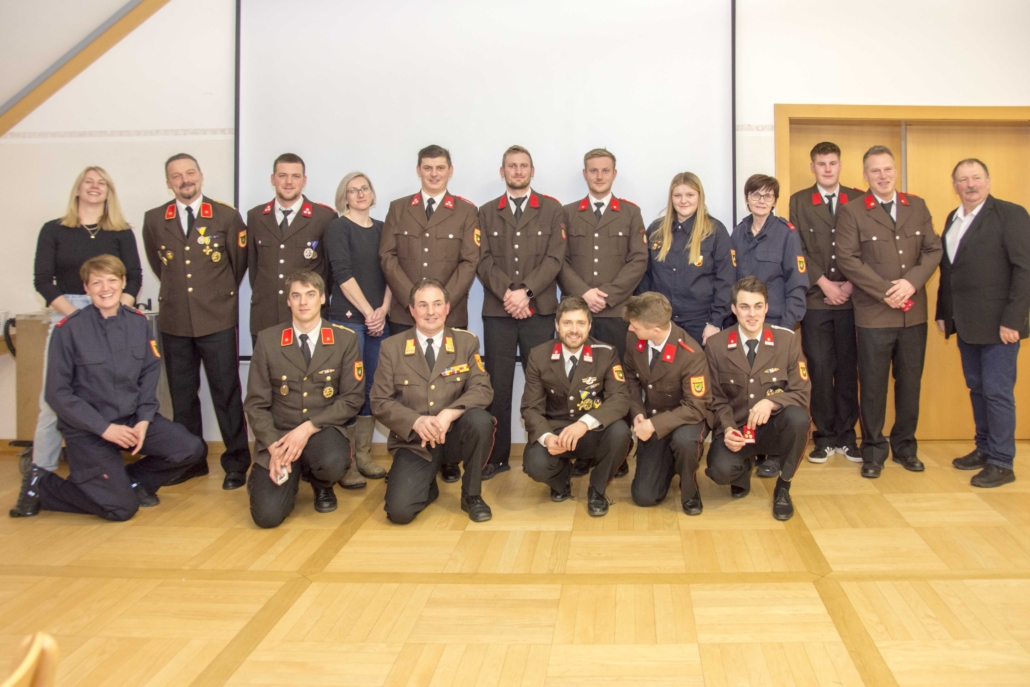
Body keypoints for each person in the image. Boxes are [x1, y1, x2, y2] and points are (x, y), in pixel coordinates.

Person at [10, 255, 205, 521]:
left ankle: (131, 483)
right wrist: (104, 428)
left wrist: (144, 420)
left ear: (123, 282)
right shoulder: (69, 330)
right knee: (121, 509)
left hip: (130, 420)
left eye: (112, 280)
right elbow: (57, 394)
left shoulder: (138, 323)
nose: (105, 288)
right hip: (88, 429)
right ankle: (42, 486)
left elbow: (149, 375)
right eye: (97, 283)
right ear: (86, 288)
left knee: (190, 448)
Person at [141, 153, 251, 490]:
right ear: (168, 182)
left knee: (226, 393)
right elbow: (160, 267)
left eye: (190, 173)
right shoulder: (154, 219)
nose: (184, 180)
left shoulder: (226, 216)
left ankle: (236, 462)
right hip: (175, 321)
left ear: (200, 176)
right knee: (183, 396)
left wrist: (213, 296)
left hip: (217, 319)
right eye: (176, 176)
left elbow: (237, 265)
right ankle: (192, 461)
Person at [836, 145, 942, 479]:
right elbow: (848, 259)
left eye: (887, 169)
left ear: (895, 171)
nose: (882, 176)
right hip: (874, 315)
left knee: (910, 383)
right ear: (865, 175)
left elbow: (933, 249)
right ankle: (873, 451)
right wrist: (887, 292)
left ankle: (906, 448)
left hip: (913, 315)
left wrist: (911, 283)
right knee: (872, 386)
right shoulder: (853, 211)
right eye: (875, 171)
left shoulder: (917, 205)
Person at [31, 166, 143, 473]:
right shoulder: (53, 230)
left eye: (101, 182)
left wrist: (118, 313)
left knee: (110, 395)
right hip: (68, 313)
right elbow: (43, 281)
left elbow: (134, 278)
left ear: (109, 192)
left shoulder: (121, 231)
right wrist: (79, 317)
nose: (95, 186)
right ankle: (39, 477)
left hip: (112, 315)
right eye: (88, 181)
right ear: (78, 189)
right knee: (53, 402)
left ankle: (103, 472)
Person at [244, 270, 364, 527]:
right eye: (296, 296)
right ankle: (273, 476)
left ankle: (322, 484)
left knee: (333, 461)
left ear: (322, 298)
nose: (303, 302)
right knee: (267, 517)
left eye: (310, 295)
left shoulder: (345, 339)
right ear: (288, 301)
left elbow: (352, 398)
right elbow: (255, 404)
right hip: (280, 435)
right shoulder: (268, 340)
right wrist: (273, 446)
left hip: (321, 431)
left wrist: (308, 428)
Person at [936, 159, 1030, 488]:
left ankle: (1002, 462)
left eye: (976, 178)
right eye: (963, 179)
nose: (970, 184)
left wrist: (1013, 319)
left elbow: (1024, 270)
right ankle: (985, 448)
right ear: (955, 186)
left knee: (997, 393)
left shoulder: (1011, 214)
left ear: (988, 182)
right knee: (977, 389)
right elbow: (949, 270)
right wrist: (944, 312)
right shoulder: (953, 217)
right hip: (966, 323)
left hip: (1000, 326)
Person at [370, 279, 494, 524]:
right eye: (423, 305)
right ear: (412, 310)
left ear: (447, 308)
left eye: (437, 304)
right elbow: (379, 401)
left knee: (480, 420)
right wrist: (416, 421)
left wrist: (449, 413)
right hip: (415, 441)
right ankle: (428, 486)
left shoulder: (466, 342)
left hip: (454, 435)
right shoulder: (392, 347)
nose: (430, 312)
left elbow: (482, 389)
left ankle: (472, 495)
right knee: (399, 513)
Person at [477, 145, 565, 480]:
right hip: (498, 312)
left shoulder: (552, 209)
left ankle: (540, 453)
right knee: (497, 385)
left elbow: (555, 259)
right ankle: (496, 456)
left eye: (523, 166)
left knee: (542, 385)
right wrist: (508, 295)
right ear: (503, 172)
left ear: (532, 171)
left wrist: (525, 293)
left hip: (539, 310)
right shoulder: (486, 211)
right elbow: (483, 260)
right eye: (511, 166)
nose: (517, 171)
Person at [704, 277, 811, 521]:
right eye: (744, 307)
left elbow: (801, 391)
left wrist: (772, 402)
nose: (752, 314)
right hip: (738, 429)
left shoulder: (786, 341)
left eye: (758, 306)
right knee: (720, 471)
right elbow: (715, 399)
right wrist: (728, 428)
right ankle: (742, 470)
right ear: (733, 309)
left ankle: (783, 487)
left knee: (798, 419)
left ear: (766, 307)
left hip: (773, 429)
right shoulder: (717, 345)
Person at [520, 296, 632, 517]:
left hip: (591, 431)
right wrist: (546, 437)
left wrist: (584, 424)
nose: (574, 330)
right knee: (534, 464)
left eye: (580, 323)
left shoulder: (606, 353)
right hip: (557, 432)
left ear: (590, 326)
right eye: (567, 323)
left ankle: (597, 489)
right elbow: (531, 408)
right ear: (556, 325)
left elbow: (620, 398)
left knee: (620, 433)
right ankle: (561, 480)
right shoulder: (539, 355)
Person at [788, 142, 864, 464]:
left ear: (841, 165)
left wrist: (850, 283)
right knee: (819, 369)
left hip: (851, 298)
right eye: (822, 164)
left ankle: (847, 436)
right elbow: (798, 248)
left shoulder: (858, 198)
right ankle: (824, 437)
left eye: (833, 163)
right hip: (817, 299)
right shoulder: (799, 200)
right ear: (813, 167)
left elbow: (864, 246)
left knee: (847, 369)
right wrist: (823, 282)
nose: (828, 169)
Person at [732, 174, 808, 478]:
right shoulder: (738, 233)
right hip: (745, 325)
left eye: (767, 196)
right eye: (755, 195)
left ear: (775, 200)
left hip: (776, 324)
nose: (761, 201)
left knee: (777, 390)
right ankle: (753, 447)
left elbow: (798, 283)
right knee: (749, 389)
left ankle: (777, 453)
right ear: (747, 199)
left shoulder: (787, 234)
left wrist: (788, 326)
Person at [324, 171, 392, 489]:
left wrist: (383, 311)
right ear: (345, 197)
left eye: (365, 188)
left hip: (379, 319)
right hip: (349, 319)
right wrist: (368, 312)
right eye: (353, 190)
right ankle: (346, 461)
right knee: (350, 388)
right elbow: (342, 274)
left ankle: (363, 455)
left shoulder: (383, 229)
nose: (360, 194)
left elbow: (392, 272)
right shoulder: (339, 228)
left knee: (372, 387)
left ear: (372, 193)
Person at [622, 293, 711, 515]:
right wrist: (637, 412)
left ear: (655, 330)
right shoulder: (634, 338)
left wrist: (653, 425)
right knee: (644, 497)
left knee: (684, 442)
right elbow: (630, 378)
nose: (631, 329)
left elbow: (695, 406)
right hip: (653, 416)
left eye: (635, 326)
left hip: (687, 419)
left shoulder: (690, 354)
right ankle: (670, 464)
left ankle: (690, 488)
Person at [378, 144, 479, 333]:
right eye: (427, 168)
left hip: (450, 314)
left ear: (450, 170)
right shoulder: (398, 209)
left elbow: (469, 262)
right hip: (406, 314)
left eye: (440, 168)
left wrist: (442, 303)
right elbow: (387, 257)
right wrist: (413, 300)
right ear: (418, 170)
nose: (434, 174)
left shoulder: (466, 212)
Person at [559, 148, 647, 362]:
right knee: (575, 372)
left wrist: (607, 295)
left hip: (616, 311)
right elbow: (559, 260)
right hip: (576, 311)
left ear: (614, 174)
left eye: (605, 171)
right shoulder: (567, 212)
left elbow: (638, 260)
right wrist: (583, 293)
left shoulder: (631, 213)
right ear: (585, 173)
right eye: (593, 171)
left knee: (616, 371)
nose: (599, 176)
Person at [245, 153, 336, 344]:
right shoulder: (256, 216)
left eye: (295, 176)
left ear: (304, 180)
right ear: (273, 179)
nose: (289, 182)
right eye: (282, 175)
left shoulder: (324, 217)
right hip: (266, 316)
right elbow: (253, 267)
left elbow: (329, 272)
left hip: (308, 318)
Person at [636, 172, 733, 346]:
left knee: (698, 365)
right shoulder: (656, 230)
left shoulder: (715, 231)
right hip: (661, 322)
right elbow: (645, 276)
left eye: (690, 195)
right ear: (671, 198)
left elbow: (726, 280)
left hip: (700, 323)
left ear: (699, 197)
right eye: (677, 195)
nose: (683, 201)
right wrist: (644, 315)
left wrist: (715, 322)